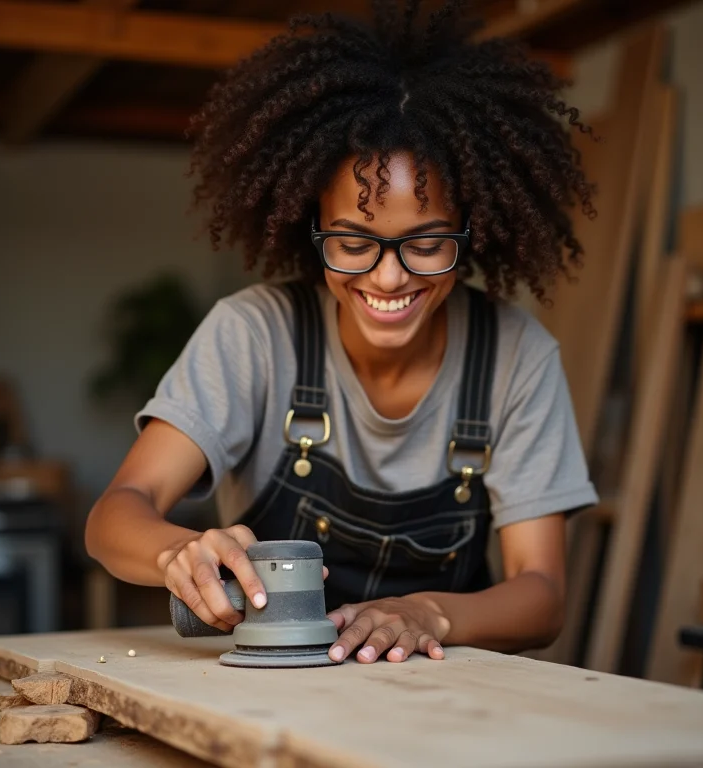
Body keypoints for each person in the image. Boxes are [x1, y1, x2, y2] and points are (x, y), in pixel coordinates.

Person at [85, 0, 599, 665]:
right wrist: (175, 552)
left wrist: (429, 612)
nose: (388, 278)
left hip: (446, 704)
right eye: (355, 242)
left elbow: (544, 594)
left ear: (473, 232)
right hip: (269, 700)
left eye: (426, 242)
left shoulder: (516, 356)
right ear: (311, 225)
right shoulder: (254, 335)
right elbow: (115, 512)